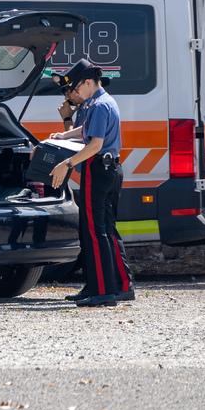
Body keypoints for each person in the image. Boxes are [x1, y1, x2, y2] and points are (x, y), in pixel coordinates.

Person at [48, 59, 133, 307]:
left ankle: (103, 290)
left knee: (95, 232)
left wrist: (67, 164)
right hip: (109, 168)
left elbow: (94, 144)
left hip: (98, 169)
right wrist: (66, 133)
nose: (74, 94)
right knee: (103, 229)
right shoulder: (102, 102)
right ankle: (109, 285)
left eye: (75, 88)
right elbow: (86, 130)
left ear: (87, 82)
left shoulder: (98, 105)